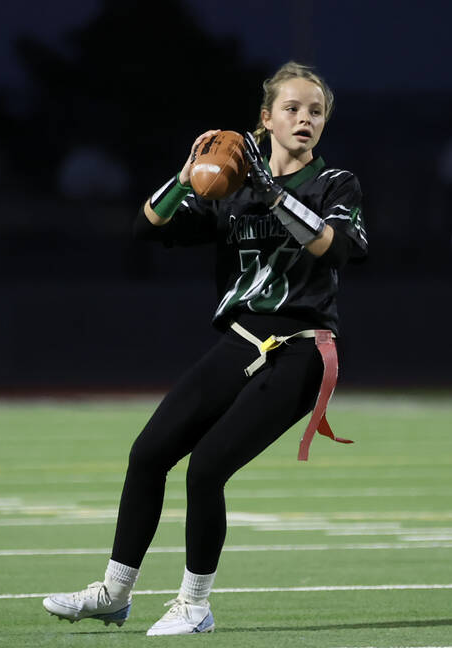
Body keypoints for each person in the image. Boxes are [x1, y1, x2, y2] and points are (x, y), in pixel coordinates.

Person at [42, 61, 368, 636]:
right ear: (264, 120)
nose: (305, 119)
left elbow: (336, 248)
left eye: (315, 111)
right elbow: (147, 227)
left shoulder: (335, 183)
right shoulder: (234, 188)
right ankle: (115, 592)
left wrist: (273, 195)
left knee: (207, 468)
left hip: (302, 347)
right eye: (292, 109)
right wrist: (185, 172)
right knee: (147, 455)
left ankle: (195, 605)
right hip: (243, 338)